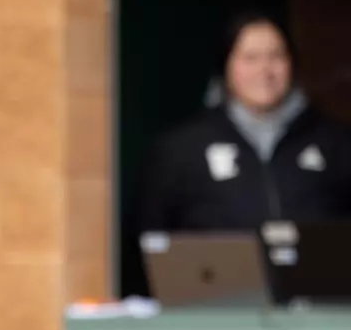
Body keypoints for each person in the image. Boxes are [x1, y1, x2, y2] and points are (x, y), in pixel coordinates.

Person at [137, 14, 351, 245]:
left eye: (276, 56)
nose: (264, 70)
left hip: (315, 281)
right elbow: (149, 243)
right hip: (220, 281)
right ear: (226, 67)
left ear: (292, 64)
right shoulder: (181, 150)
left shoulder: (335, 143)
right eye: (250, 58)